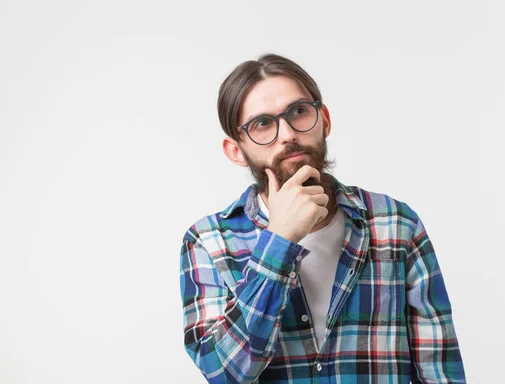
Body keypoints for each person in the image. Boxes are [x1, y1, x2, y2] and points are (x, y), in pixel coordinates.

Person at [179, 53, 467, 383]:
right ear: (235, 150)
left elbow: (441, 371)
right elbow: (222, 372)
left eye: (298, 112)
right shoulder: (208, 241)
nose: (287, 134)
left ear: (324, 120)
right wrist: (278, 243)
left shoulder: (396, 224)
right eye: (263, 124)